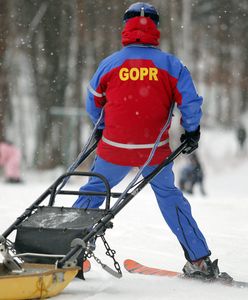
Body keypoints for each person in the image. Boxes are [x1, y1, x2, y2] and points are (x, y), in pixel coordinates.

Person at [73, 3, 220, 279]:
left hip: (113, 149)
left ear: (125, 27)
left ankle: (69, 251)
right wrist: (191, 131)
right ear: (156, 28)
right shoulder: (171, 65)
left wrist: (105, 127)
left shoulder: (111, 63)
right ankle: (199, 260)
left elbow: (93, 101)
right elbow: (190, 102)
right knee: (170, 197)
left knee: (94, 191)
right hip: (153, 151)